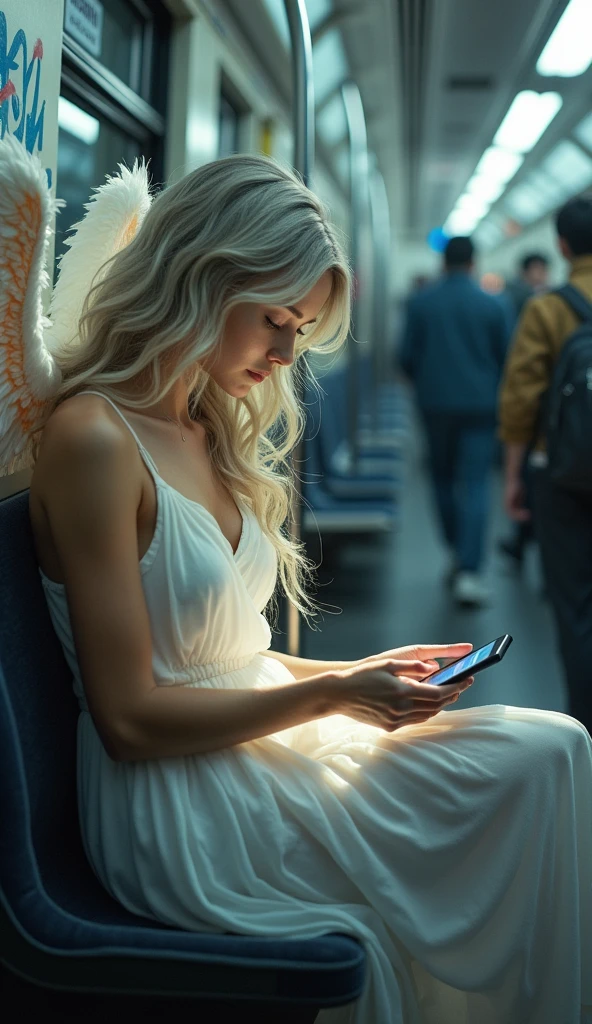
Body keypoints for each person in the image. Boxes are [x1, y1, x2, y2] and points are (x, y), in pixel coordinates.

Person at [23, 157, 592, 1024]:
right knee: (540, 761)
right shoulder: (95, 439)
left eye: (301, 327)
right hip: (179, 806)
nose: (288, 352)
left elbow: (224, 660)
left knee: (557, 749)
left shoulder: (202, 422)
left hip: (246, 745)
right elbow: (131, 719)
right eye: (276, 320)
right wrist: (333, 693)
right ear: (201, 279)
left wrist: (364, 668)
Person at [499, 195, 592, 738]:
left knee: (574, 604)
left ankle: (583, 726)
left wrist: (514, 477)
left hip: (562, 476)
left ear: (562, 246)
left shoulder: (548, 308)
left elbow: (521, 400)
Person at [399, 236, 511, 607]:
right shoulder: (494, 304)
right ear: (474, 262)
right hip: (481, 406)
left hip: (436, 406)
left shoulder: (422, 303)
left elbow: (405, 357)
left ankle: (455, 550)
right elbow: (506, 358)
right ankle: (470, 569)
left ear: (443, 262)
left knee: (442, 479)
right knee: (477, 483)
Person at [498, 253, 550, 566]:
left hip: (539, 414)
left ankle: (522, 542)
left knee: (534, 482)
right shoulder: (537, 301)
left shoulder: (538, 305)